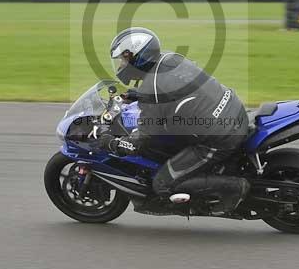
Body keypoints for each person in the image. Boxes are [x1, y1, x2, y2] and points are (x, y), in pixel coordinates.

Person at [97, 27, 250, 215]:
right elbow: (177, 89)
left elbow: (140, 143)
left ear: (138, 57)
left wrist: (112, 143)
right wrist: (138, 95)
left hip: (219, 138)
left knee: (162, 184)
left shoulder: (151, 89)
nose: (121, 65)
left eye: (124, 59)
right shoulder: (171, 59)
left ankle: (236, 187)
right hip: (235, 111)